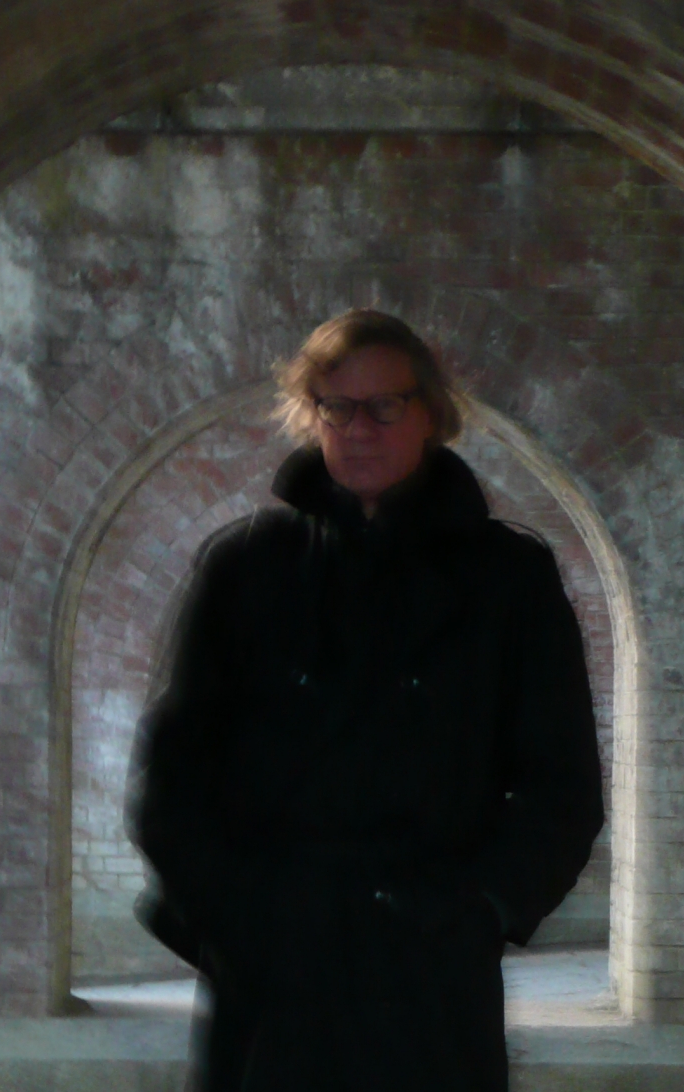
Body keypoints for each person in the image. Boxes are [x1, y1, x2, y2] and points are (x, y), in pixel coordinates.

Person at [126, 310, 604, 1092]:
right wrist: (237, 919)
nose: (359, 429)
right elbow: (172, 774)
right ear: (309, 414)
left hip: (431, 974)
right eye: (336, 406)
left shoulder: (508, 579)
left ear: (430, 414)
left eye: (385, 406)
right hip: (276, 971)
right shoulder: (246, 567)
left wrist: (478, 910)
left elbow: (561, 786)